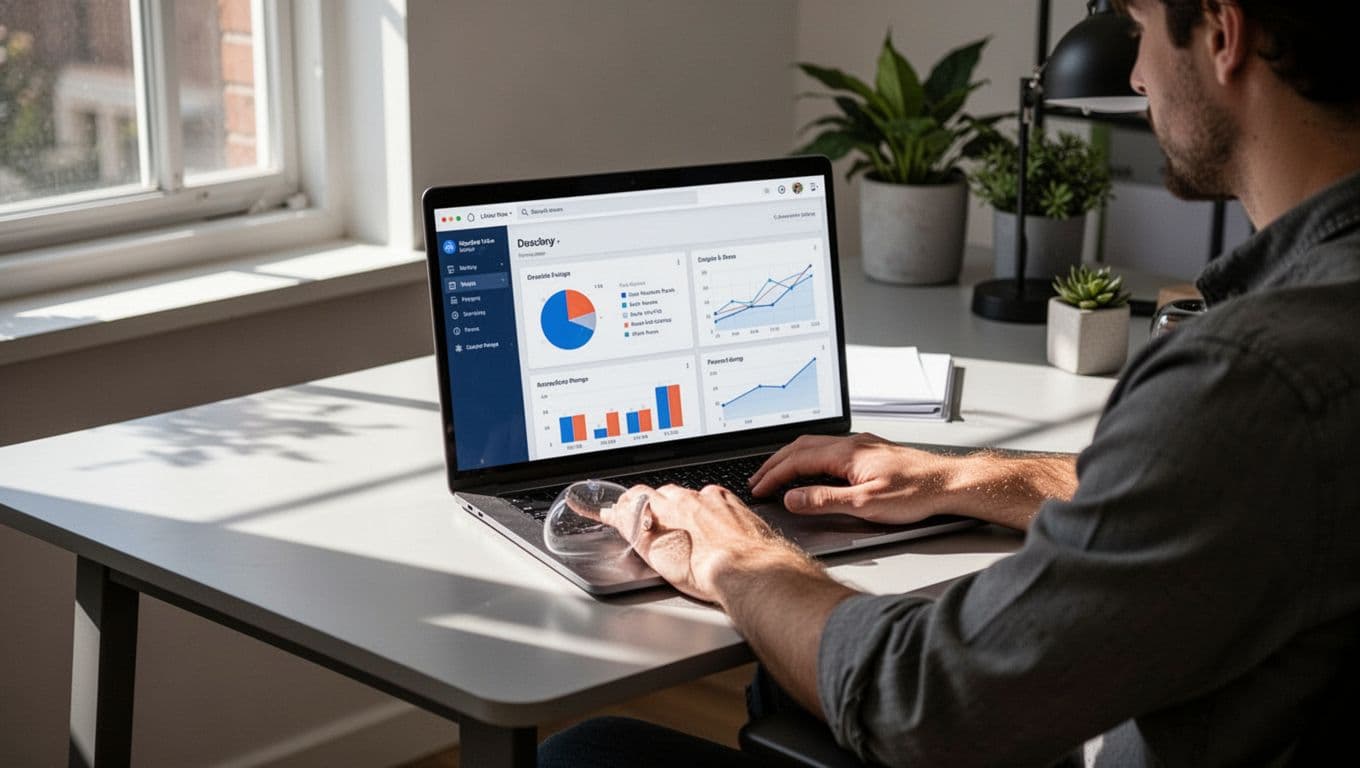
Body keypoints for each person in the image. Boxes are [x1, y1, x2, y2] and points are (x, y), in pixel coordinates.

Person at [540, 0, 1360, 764]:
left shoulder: (1252, 378)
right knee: (779, 684)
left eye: (1140, 25)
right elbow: (1226, 497)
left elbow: (922, 702)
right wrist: (967, 476)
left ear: (1223, 31)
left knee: (590, 751)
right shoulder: (1298, 359)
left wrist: (745, 561)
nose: (1136, 72)